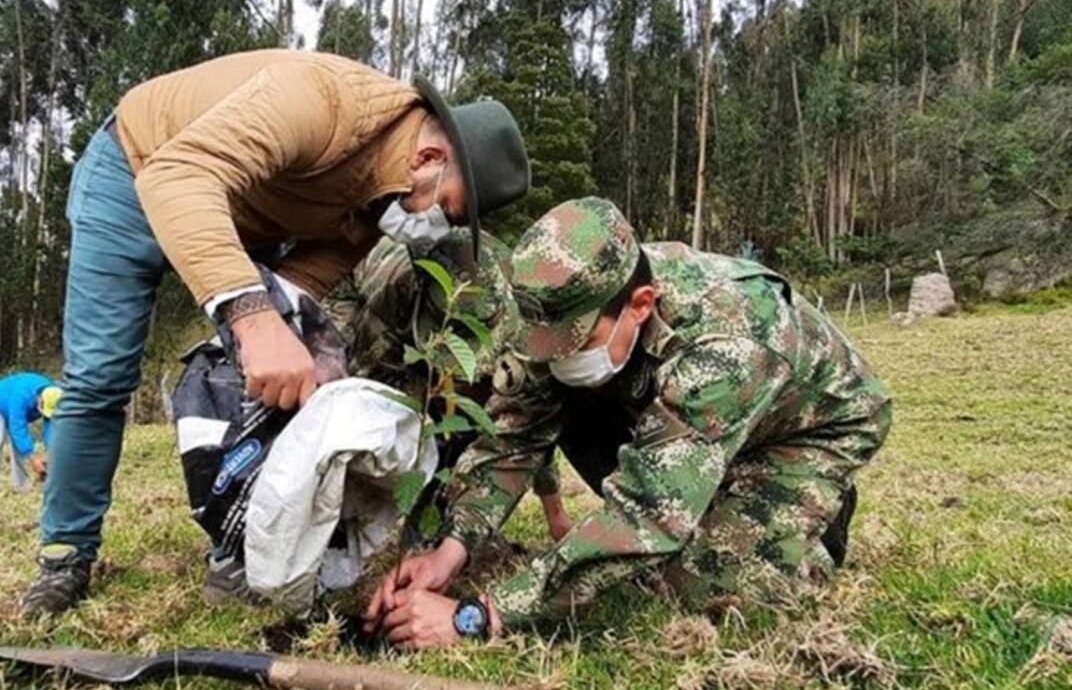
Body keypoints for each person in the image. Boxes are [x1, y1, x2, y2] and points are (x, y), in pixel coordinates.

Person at [22, 50, 530, 616]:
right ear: (430, 157)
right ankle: (65, 556)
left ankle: (238, 549)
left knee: (289, 371)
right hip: (140, 171)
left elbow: (297, 289)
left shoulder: (371, 211)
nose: (440, 228)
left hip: (243, 216)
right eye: (451, 212)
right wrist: (249, 315)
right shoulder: (323, 102)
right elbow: (178, 176)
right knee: (101, 379)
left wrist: (297, 349)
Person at [364, 197, 892, 649]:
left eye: (575, 344)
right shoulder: (568, 304)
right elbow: (515, 434)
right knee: (581, 421)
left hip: (805, 427)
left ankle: (812, 520)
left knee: (708, 586)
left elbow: (648, 512)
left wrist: (478, 617)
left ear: (640, 305)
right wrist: (450, 552)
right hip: (678, 404)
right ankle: (715, 491)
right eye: (543, 347)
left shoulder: (727, 339)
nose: (554, 359)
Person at [327, 229, 573, 544]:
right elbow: (360, 388)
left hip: (469, 315)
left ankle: (440, 526)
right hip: (351, 287)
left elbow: (526, 421)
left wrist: (555, 513)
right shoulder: (396, 291)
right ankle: (339, 526)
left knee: (477, 412)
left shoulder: (521, 310)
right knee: (361, 405)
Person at [0, 373, 61, 497]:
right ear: (39, 399)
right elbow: (18, 429)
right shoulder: (21, 396)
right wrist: (33, 458)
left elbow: (50, 427)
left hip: (15, 406)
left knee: (18, 445)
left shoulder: (54, 395)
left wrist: (51, 454)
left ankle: (20, 484)